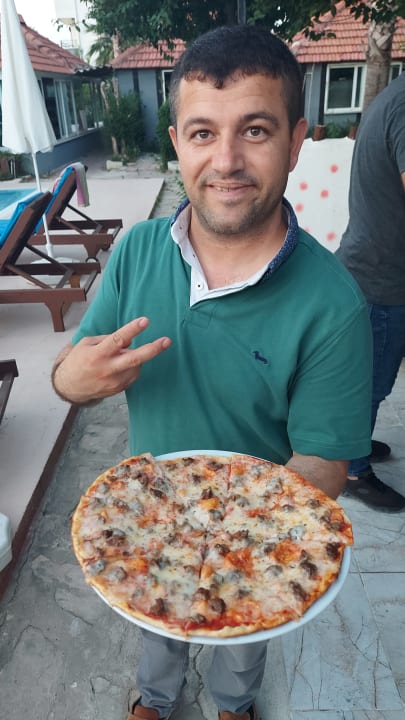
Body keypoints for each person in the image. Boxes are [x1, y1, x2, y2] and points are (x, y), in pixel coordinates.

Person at [52, 25, 372, 720]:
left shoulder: (335, 305)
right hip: (145, 517)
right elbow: (69, 377)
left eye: (254, 130)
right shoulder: (136, 251)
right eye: (202, 133)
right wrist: (74, 379)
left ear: (296, 140)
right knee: (155, 625)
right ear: (178, 143)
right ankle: (157, 698)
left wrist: (237, 526)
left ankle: (233, 704)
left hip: (256, 535)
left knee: (243, 638)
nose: (225, 160)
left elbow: (324, 461)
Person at [337, 71, 405, 513]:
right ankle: (352, 470)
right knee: (370, 386)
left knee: (370, 382)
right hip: (380, 278)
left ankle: (355, 446)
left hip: (374, 270)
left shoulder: (394, 96)